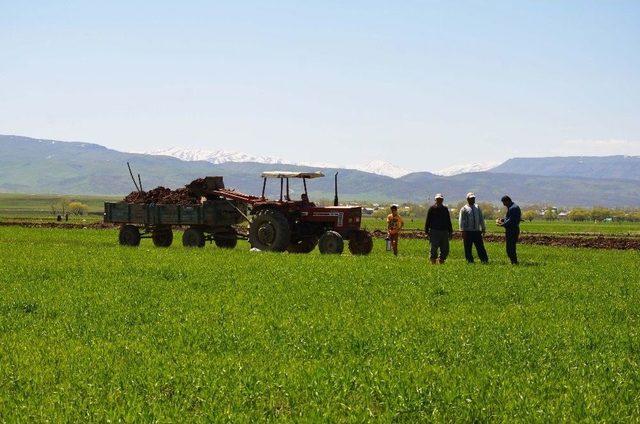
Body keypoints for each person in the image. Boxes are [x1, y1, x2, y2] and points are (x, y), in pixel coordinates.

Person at [458, 192, 489, 263]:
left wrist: (483, 228)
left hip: (477, 231)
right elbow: (461, 221)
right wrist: (462, 231)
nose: (473, 199)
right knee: (468, 247)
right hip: (468, 231)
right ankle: (470, 261)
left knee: (480, 247)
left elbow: (481, 218)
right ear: (468, 199)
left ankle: (484, 260)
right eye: (471, 198)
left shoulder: (477, 207)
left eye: (473, 198)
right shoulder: (464, 209)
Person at [425, 193, 453, 264]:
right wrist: (426, 231)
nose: (439, 200)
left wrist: (450, 231)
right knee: (433, 248)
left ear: (442, 200)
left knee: (445, 248)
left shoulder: (445, 209)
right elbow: (428, 220)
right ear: (435, 200)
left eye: (440, 199)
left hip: (444, 231)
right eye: (438, 199)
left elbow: (448, 220)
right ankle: (433, 263)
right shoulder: (432, 209)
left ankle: (441, 261)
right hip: (434, 231)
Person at [497, 195, 521, 264]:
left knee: (510, 247)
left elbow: (511, 220)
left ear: (507, 201)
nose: (504, 205)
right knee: (511, 247)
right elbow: (509, 218)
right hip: (512, 230)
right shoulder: (513, 207)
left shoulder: (513, 208)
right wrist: (502, 220)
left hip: (512, 231)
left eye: (504, 203)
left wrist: (502, 224)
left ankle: (514, 262)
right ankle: (513, 261)